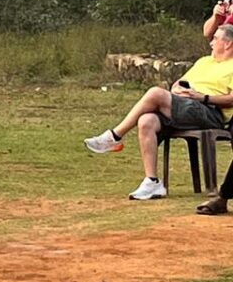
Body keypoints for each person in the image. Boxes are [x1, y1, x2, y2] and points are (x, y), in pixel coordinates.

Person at [85, 24, 233, 200]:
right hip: (186, 104)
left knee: (155, 93)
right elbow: (179, 82)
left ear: (228, 44)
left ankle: (114, 136)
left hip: (210, 111)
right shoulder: (204, 62)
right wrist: (178, 89)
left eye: (216, 38)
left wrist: (203, 97)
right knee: (146, 121)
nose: (211, 42)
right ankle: (152, 182)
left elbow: (231, 99)